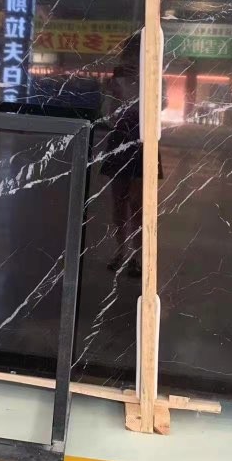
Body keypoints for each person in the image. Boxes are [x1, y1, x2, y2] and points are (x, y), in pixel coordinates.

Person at [100, 34, 163, 278]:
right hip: (120, 138)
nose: (132, 59)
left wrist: (146, 83)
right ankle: (120, 251)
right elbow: (109, 116)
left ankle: (137, 256)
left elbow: (161, 105)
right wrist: (113, 94)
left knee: (138, 203)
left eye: (138, 54)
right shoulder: (116, 81)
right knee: (119, 200)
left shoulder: (154, 77)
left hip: (144, 139)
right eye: (130, 54)